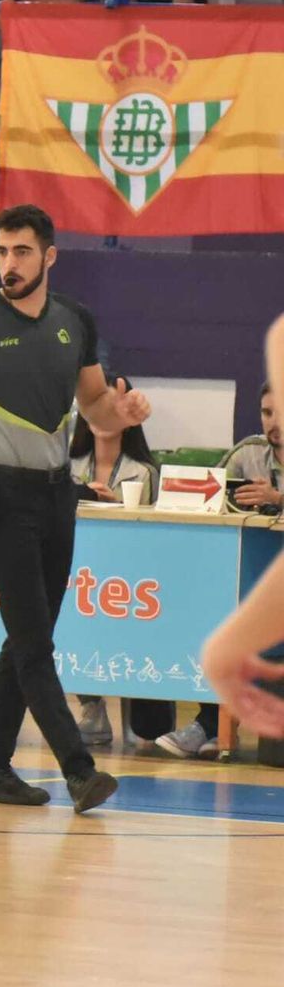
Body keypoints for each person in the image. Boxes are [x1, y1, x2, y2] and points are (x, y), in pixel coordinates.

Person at [0, 204, 147, 814]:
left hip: (56, 494)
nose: (8, 264)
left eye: (21, 252)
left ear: (48, 256)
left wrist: (119, 416)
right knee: (33, 642)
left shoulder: (76, 320)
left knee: (31, 634)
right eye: (0, 252)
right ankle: (80, 771)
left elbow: (96, 407)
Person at [201, 316, 284, 738]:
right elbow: (205, 494)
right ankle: (206, 726)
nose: (274, 421)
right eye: (267, 412)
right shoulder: (247, 454)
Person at [67, 389, 164, 749]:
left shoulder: (144, 471)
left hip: (130, 577)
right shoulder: (67, 466)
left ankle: (138, 715)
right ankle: (90, 707)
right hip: (80, 569)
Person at [219, 383, 283, 516]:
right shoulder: (248, 451)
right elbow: (208, 493)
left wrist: (277, 499)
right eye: (267, 413)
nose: (274, 422)